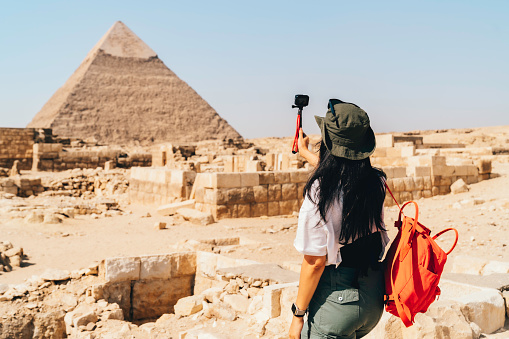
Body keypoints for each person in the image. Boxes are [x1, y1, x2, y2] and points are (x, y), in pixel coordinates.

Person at [289, 99, 389, 339]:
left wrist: (297, 316)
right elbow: (343, 179)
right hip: (372, 301)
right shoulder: (376, 181)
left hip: (337, 304)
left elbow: (314, 262)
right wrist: (306, 155)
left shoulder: (319, 191)